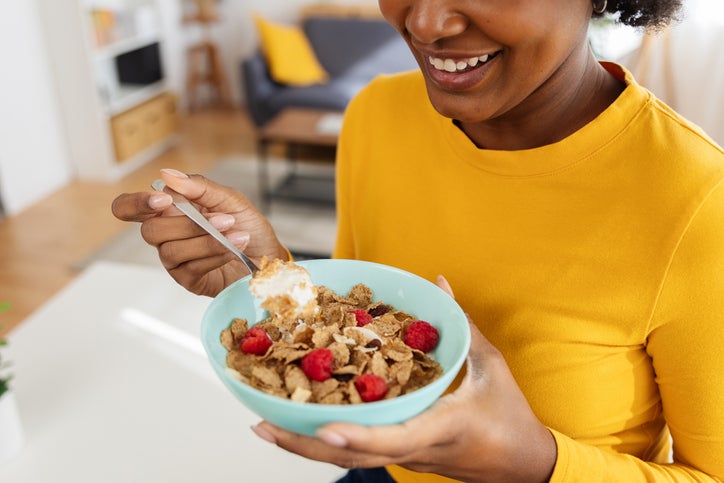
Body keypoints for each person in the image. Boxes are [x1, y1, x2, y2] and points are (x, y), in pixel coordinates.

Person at [112, 0, 724, 480]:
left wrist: (530, 464)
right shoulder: (377, 114)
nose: (426, 21)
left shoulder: (699, 201)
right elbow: (367, 316)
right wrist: (274, 276)